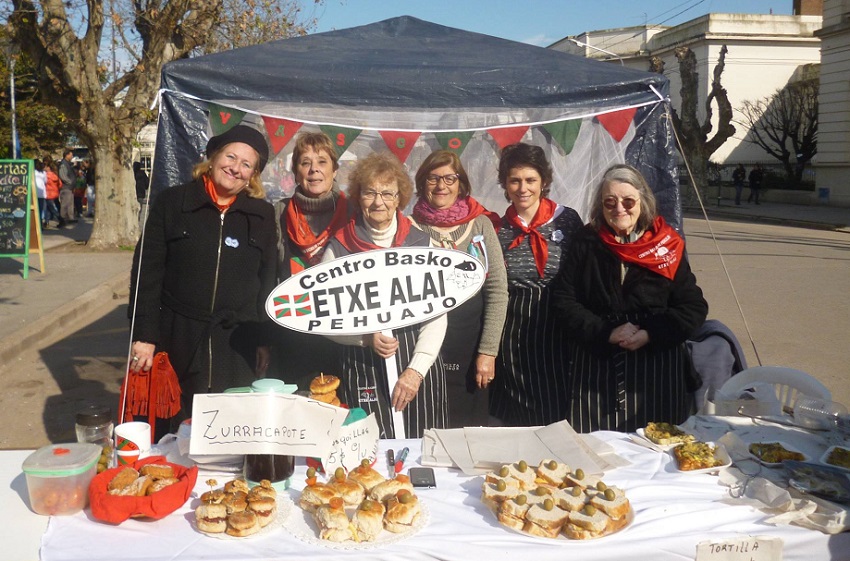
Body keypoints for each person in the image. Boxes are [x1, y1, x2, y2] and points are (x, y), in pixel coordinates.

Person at [128, 125, 277, 438]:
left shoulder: (262, 215)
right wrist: (143, 334)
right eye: (231, 157)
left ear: (253, 175)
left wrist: (264, 338)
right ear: (213, 158)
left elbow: (267, 282)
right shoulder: (173, 203)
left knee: (230, 427)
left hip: (236, 342)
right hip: (178, 334)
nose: (235, 168)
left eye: (246, 164)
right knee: (173, 428)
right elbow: (147, 272)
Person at [552, 164, 708, 433]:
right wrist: (606, 332)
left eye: (628, 201)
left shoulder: (666, 245)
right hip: (597, 365)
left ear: (643, 201)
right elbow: (564, 300)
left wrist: (650, 333)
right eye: (609, 202)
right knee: (595, 452)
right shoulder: (586, 241)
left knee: (657, 455)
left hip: (655, 368)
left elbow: (693, 307)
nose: (619, 209)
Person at [324, 152, 447, 439]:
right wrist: (364, 338)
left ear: (399, 199)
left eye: (387, 194)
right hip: (363, 364)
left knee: (426, 455)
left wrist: (415, 371)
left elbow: (438, 314)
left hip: (418, 361)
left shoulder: (421, 244)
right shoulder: (339, 248)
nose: (378, 202)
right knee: (372, 455)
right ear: (358, 197)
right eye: (370, 193)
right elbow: (323, 317)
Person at [409, 150, 508, 428]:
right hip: (424, 341)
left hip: (470, 343)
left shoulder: (480, 225)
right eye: (433, 178)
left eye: (450, 178)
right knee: (427, 422)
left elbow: (498, 291)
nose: (442, 186)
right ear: (421, 184)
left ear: (461, 184)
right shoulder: (408, 228)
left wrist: (488, 352)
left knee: (468, 428)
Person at [491, 143, 583, 426]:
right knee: (519, 411)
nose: (522, 188)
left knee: (556, 406)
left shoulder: (567, 220)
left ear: (544, 182)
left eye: (530, 180)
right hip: (514, 327)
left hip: (558, 323)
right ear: (505, 184)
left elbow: (582, 274)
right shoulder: (497, 228)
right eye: (514, 180)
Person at [272, 132, 350, 391]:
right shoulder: (279, 212)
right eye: (305, 162)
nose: (314, 169)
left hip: (343, 334)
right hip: (294, 331)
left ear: (335, 170)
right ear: (296, 172)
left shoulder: (353, 212)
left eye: (322, 162)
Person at [57, 148, 76, 224]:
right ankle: (62, 218)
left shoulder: (68, 164)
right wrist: (70, 182)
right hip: (66, 187)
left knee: (70, 203)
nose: (72, 156)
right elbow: (63, 176)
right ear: (67, 155)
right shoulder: (63, 164)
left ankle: (70, 218)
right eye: (71, 155)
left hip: (70, 187)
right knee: (65, 203)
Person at [44, 159, 63, 228]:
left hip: (48, 193)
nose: (44, 168)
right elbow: (60, 184)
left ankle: (61, 220)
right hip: (55, 193)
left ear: (48, 167)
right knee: (49, 208)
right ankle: (46, 222)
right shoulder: (55, 175)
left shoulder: (46, 176)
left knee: (51, 209)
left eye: (45, 167)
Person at [133, 161, 150, 226]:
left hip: (134, 193)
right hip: (141, 194)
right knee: (139, 208)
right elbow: (147, 184)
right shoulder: (143, 174)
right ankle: (137, 221)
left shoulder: (133, 174)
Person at [33, 159, 48, 229]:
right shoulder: (43, 173)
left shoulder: (32, 172)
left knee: (34, 210)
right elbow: (45, 181)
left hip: (34, 192)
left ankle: (35, 224)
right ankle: (40, 224)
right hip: (41, 193)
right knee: (41, 210)